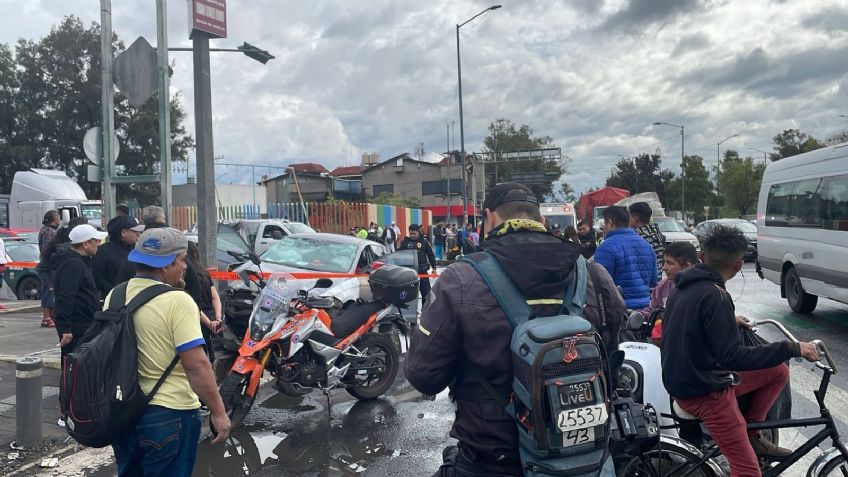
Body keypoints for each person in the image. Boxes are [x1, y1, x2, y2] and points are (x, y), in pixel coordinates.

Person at [405, 183, 624, 476]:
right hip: (583, 456)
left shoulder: (462, 279)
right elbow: (611, 350)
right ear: (542, 221)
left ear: (489, 218)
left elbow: (424, 376)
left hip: (493, 456)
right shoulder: (594, 275)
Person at [662, 226, 820, 476]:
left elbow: (692, 323)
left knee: (777, 372)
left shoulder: (682, 288)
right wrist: (792, 347)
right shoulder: (716, 296)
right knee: (748, 471)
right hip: (704, 391)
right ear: (739, 265)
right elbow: (733, 357)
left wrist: (728, 321)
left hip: (685, 380)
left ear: (702, 257)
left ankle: (752, 431)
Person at [109, 227, 230, 475]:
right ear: (165, 265)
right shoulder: (178, 300)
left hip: (124, 413)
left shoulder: (116, 294)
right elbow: (196, 365)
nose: (185, 267)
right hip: (170, 413)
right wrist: (218, 412)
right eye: (182, 260)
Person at [52, 224, 107, 359]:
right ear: (85, 243)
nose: (98, 245)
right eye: (96, 241)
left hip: (83, 324)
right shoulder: (74, 264)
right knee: (75, 368)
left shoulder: (78, 261)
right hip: (77, 327)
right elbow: (66, 296)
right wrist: (66, 329)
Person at [594, 206, 657, 309]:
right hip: (646, 308)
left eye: (604, 223)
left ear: (610, 222)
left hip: (619, 309)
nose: (603, 227)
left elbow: (600, 284)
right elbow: (653, 280)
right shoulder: (646, 244)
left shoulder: (606, 247)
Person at [640, 241, 698, 345]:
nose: (664, 268)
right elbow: (653, 309)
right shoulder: (663, 285)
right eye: (664, 262)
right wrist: (640, 315)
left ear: (686, 266)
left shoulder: (703, 289)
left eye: (670, 263)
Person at [92, 215, 145, 299]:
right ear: (123, 232)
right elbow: (98, 279)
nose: (138, 234)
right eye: (135, 231)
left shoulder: (138, 250)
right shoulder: (103, 252)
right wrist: (115, 292)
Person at [399, 224, 437, 306]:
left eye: (414, 233)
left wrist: (434, 268)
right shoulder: (404, 242)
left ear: (418, 232)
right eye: (411, 233)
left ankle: (425, 312)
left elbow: (430, 255)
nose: (412, 235)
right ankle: (409, 314)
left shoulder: (424, 241)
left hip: (422, 272)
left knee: (427, 294)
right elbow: (398, 255)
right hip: (408, 273)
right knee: (407, 295)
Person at [629, 202, 665, 282]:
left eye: (629, 217)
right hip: (657, 283)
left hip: (643, 284)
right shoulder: (657, 235)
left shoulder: (637, 237)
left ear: (635, 219)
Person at [37, 210, 61, 325]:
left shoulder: (50, 230)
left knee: (52, 290)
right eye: (58, 217)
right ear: (53, 219)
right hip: (48, 265)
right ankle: (46, 317)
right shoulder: (48, 231)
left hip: (51, 264)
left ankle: (51, 315)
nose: (59, 219)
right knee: (48, 290)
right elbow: (47, 249)